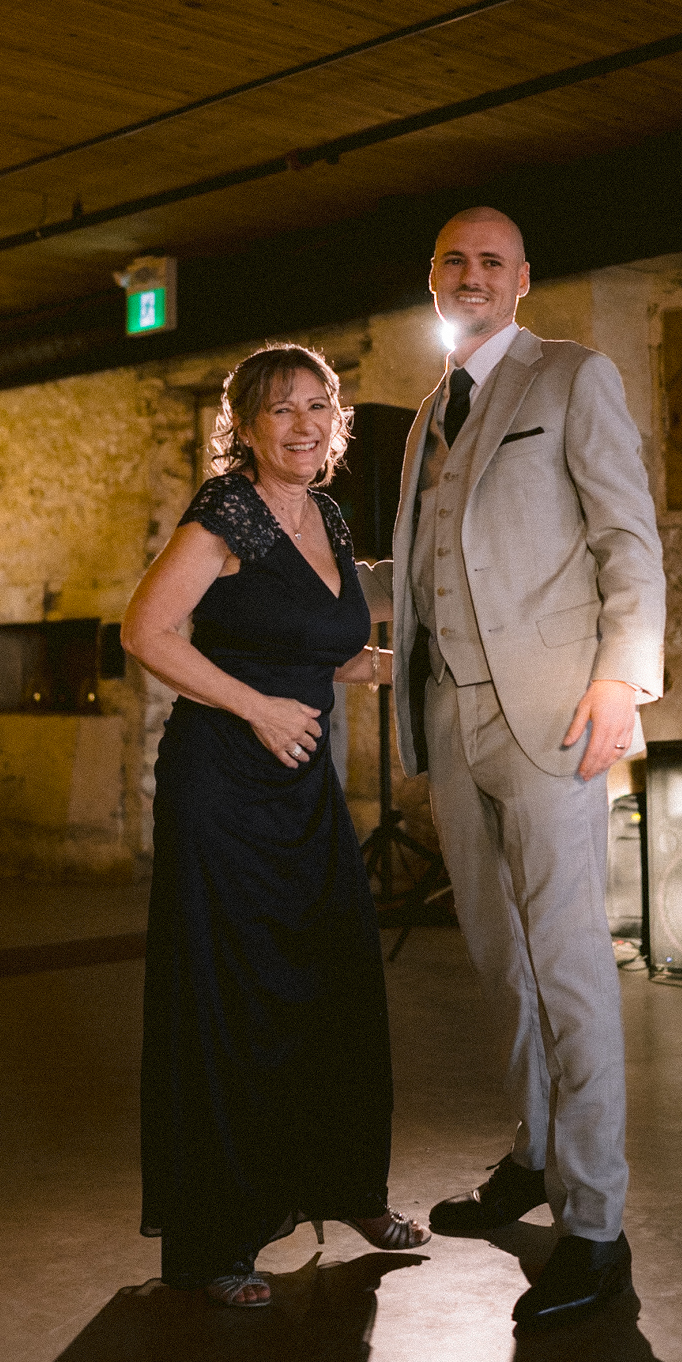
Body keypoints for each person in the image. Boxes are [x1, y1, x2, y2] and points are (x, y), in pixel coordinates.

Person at [377, 207, 667, 1332]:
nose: (470, 275)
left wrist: (619, 680)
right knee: (501, 963)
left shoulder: (570, 379)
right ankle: (534, 1154)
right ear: (433, 278)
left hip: (552, 715)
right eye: (452, 259)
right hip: (448, 717)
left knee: (568, 965)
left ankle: (594, 1222)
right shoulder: (423, 420)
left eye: (490, 261)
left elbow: (625, 541)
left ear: (522, 279)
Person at [121, 343, 429, 1309]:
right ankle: (220, 1236)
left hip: (299, 786)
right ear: (245, 428)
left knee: (333, 976)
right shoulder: (228, 510)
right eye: (280, 411)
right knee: (232, 994)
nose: (302, 425)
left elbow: (302, 644)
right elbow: (148, 632)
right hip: (222, 785)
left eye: (317, 409)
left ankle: (348, 1188)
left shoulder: (326, 515)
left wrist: (379, 666)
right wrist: (255, 707)